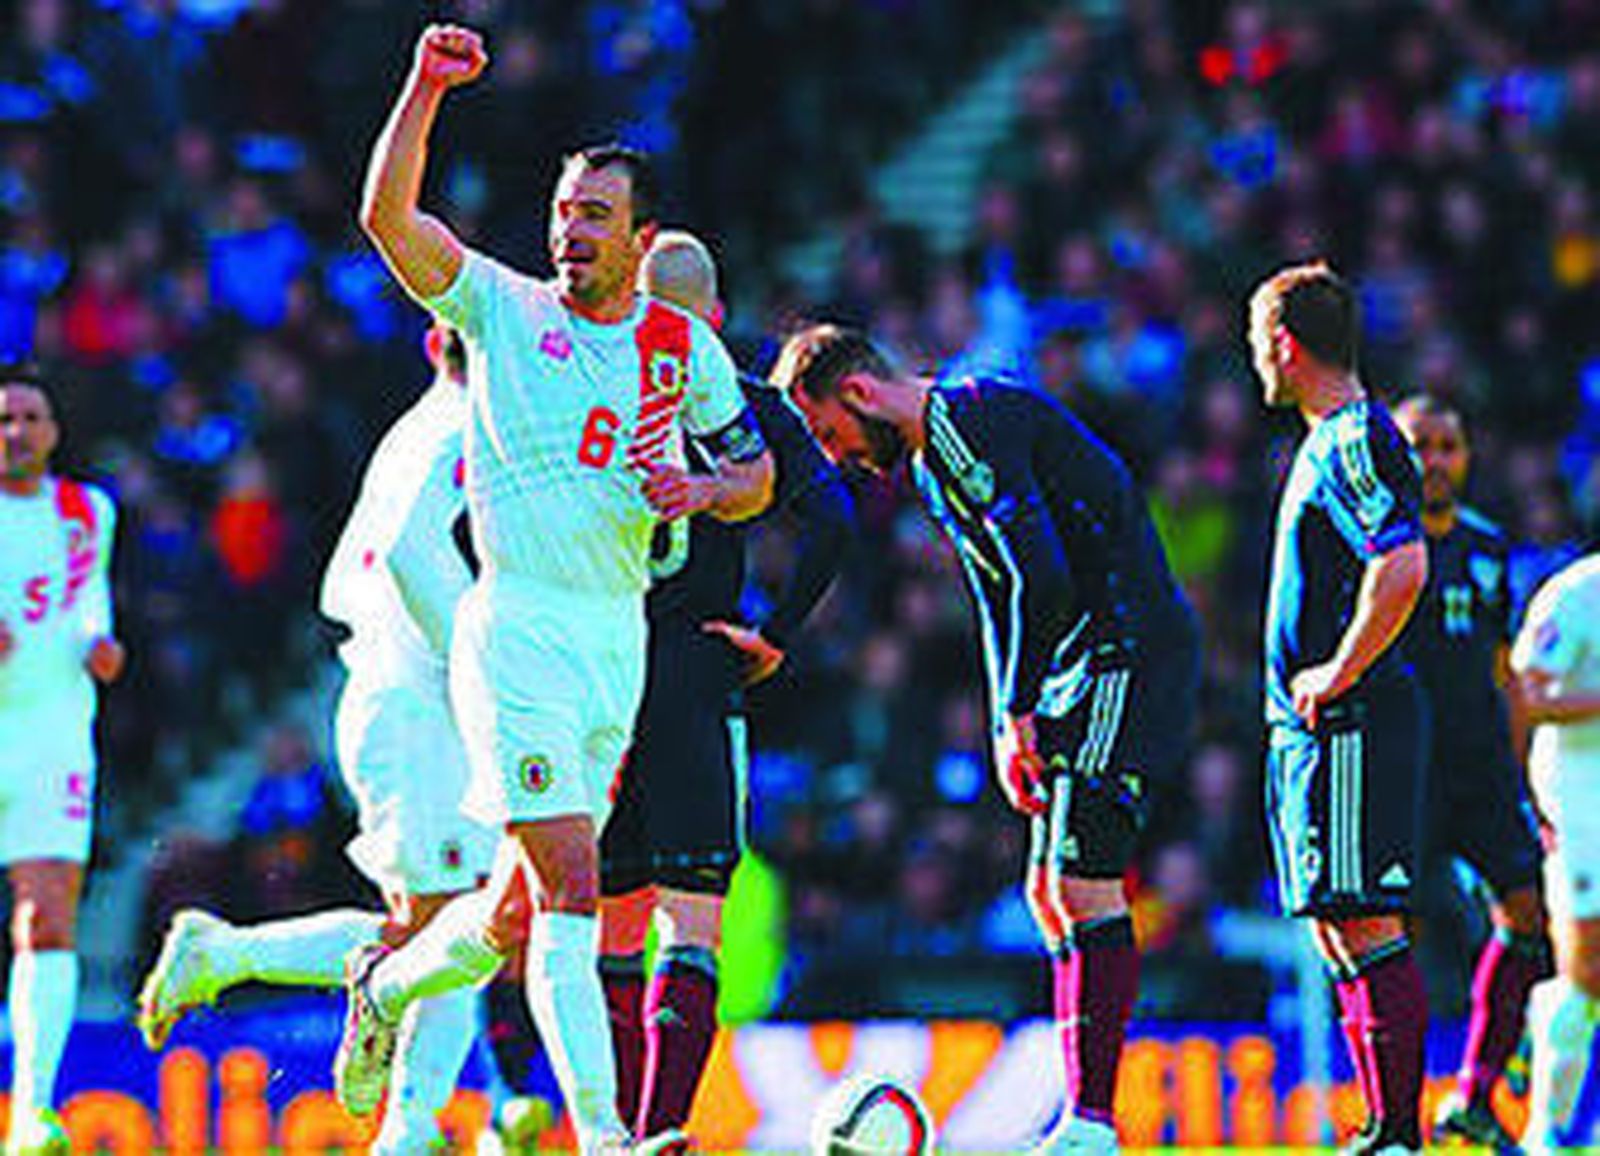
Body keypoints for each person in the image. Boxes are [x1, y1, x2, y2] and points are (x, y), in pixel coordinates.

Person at [340, 24, 773, 1153]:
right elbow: (388, 221)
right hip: (516, 630)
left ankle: (384, 991)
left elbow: (758, 475)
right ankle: (607, 1136)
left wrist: (703, 484)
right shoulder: (501, 309)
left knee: (517, 913)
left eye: (593, 215)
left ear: (642, 237)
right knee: (573, 890)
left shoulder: (681, 347)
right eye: (563, 211)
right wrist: (423, 86)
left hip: (612, 641)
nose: (568, 231)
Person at [773, 324, 1200, 1155]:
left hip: (1127, 647)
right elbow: (997, 589)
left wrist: (1017, 709)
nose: (841, 456)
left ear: (859, 393)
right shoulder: (937, 465)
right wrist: (1015, 709)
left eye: (830, 433)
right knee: (1049, 892)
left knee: (1083, 884)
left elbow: (1038, 575)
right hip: (1080, 661)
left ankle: (1092, 1122)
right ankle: (1084, 1112)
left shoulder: (969, 419)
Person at [135, 325, 496, 1153]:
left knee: (464, 925)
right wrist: (479, 665)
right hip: (414, 704)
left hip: (409, 701)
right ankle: (226, 956)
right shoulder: (460, 428)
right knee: (444, 930)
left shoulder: (428, 425)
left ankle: (408, 1128)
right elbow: (412, 557)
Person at [594, 231, 855, 1151]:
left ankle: (618, 1130)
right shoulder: (742, 403)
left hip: (595, 670)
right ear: (713, 316)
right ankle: (662, 1130)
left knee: (608, 932)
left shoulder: (590, 394)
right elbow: (832, 517)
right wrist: (775, 636)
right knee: (691, 923)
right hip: (695, 671)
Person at [1247, 262, 1431, 1154]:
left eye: (1257, 345)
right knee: (1336, 926)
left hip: (1351, 723)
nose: (1255, 365)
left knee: (1365, 918)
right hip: (1316, 732)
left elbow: (1401, 563)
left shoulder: (1357, 437)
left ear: (1284, 343)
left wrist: (1338, 669)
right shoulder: (1328, 439)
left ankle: (1398, 1133)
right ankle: (1379, 1126)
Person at [1391, 393, 1551, 1148]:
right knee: (1396, 941)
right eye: (1418, 445)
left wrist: (1530, 783)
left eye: (1447, 445)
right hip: (1407, 771)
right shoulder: (1378, 547)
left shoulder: (1488, 547)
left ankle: (1476, 1095)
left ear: (1468, 454)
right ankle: (1393, 1113)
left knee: (1530, 915)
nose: (1434, 460)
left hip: (1482, 770)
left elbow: (1504, 672)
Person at [0, 371, 124, 1155]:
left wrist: (101, 647)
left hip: (50, 733)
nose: (15, 430)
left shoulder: (89, 511)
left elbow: (88, 606)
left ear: (53, 430)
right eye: (3, 418)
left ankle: (30, 1114)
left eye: (29, 417)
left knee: (47, 919)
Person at [1510, 552, 1600, 1153]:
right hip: (1580, 794)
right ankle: (1549, 1126)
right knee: (1588, 969)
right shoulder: (1576, 594)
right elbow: (1524, 695)